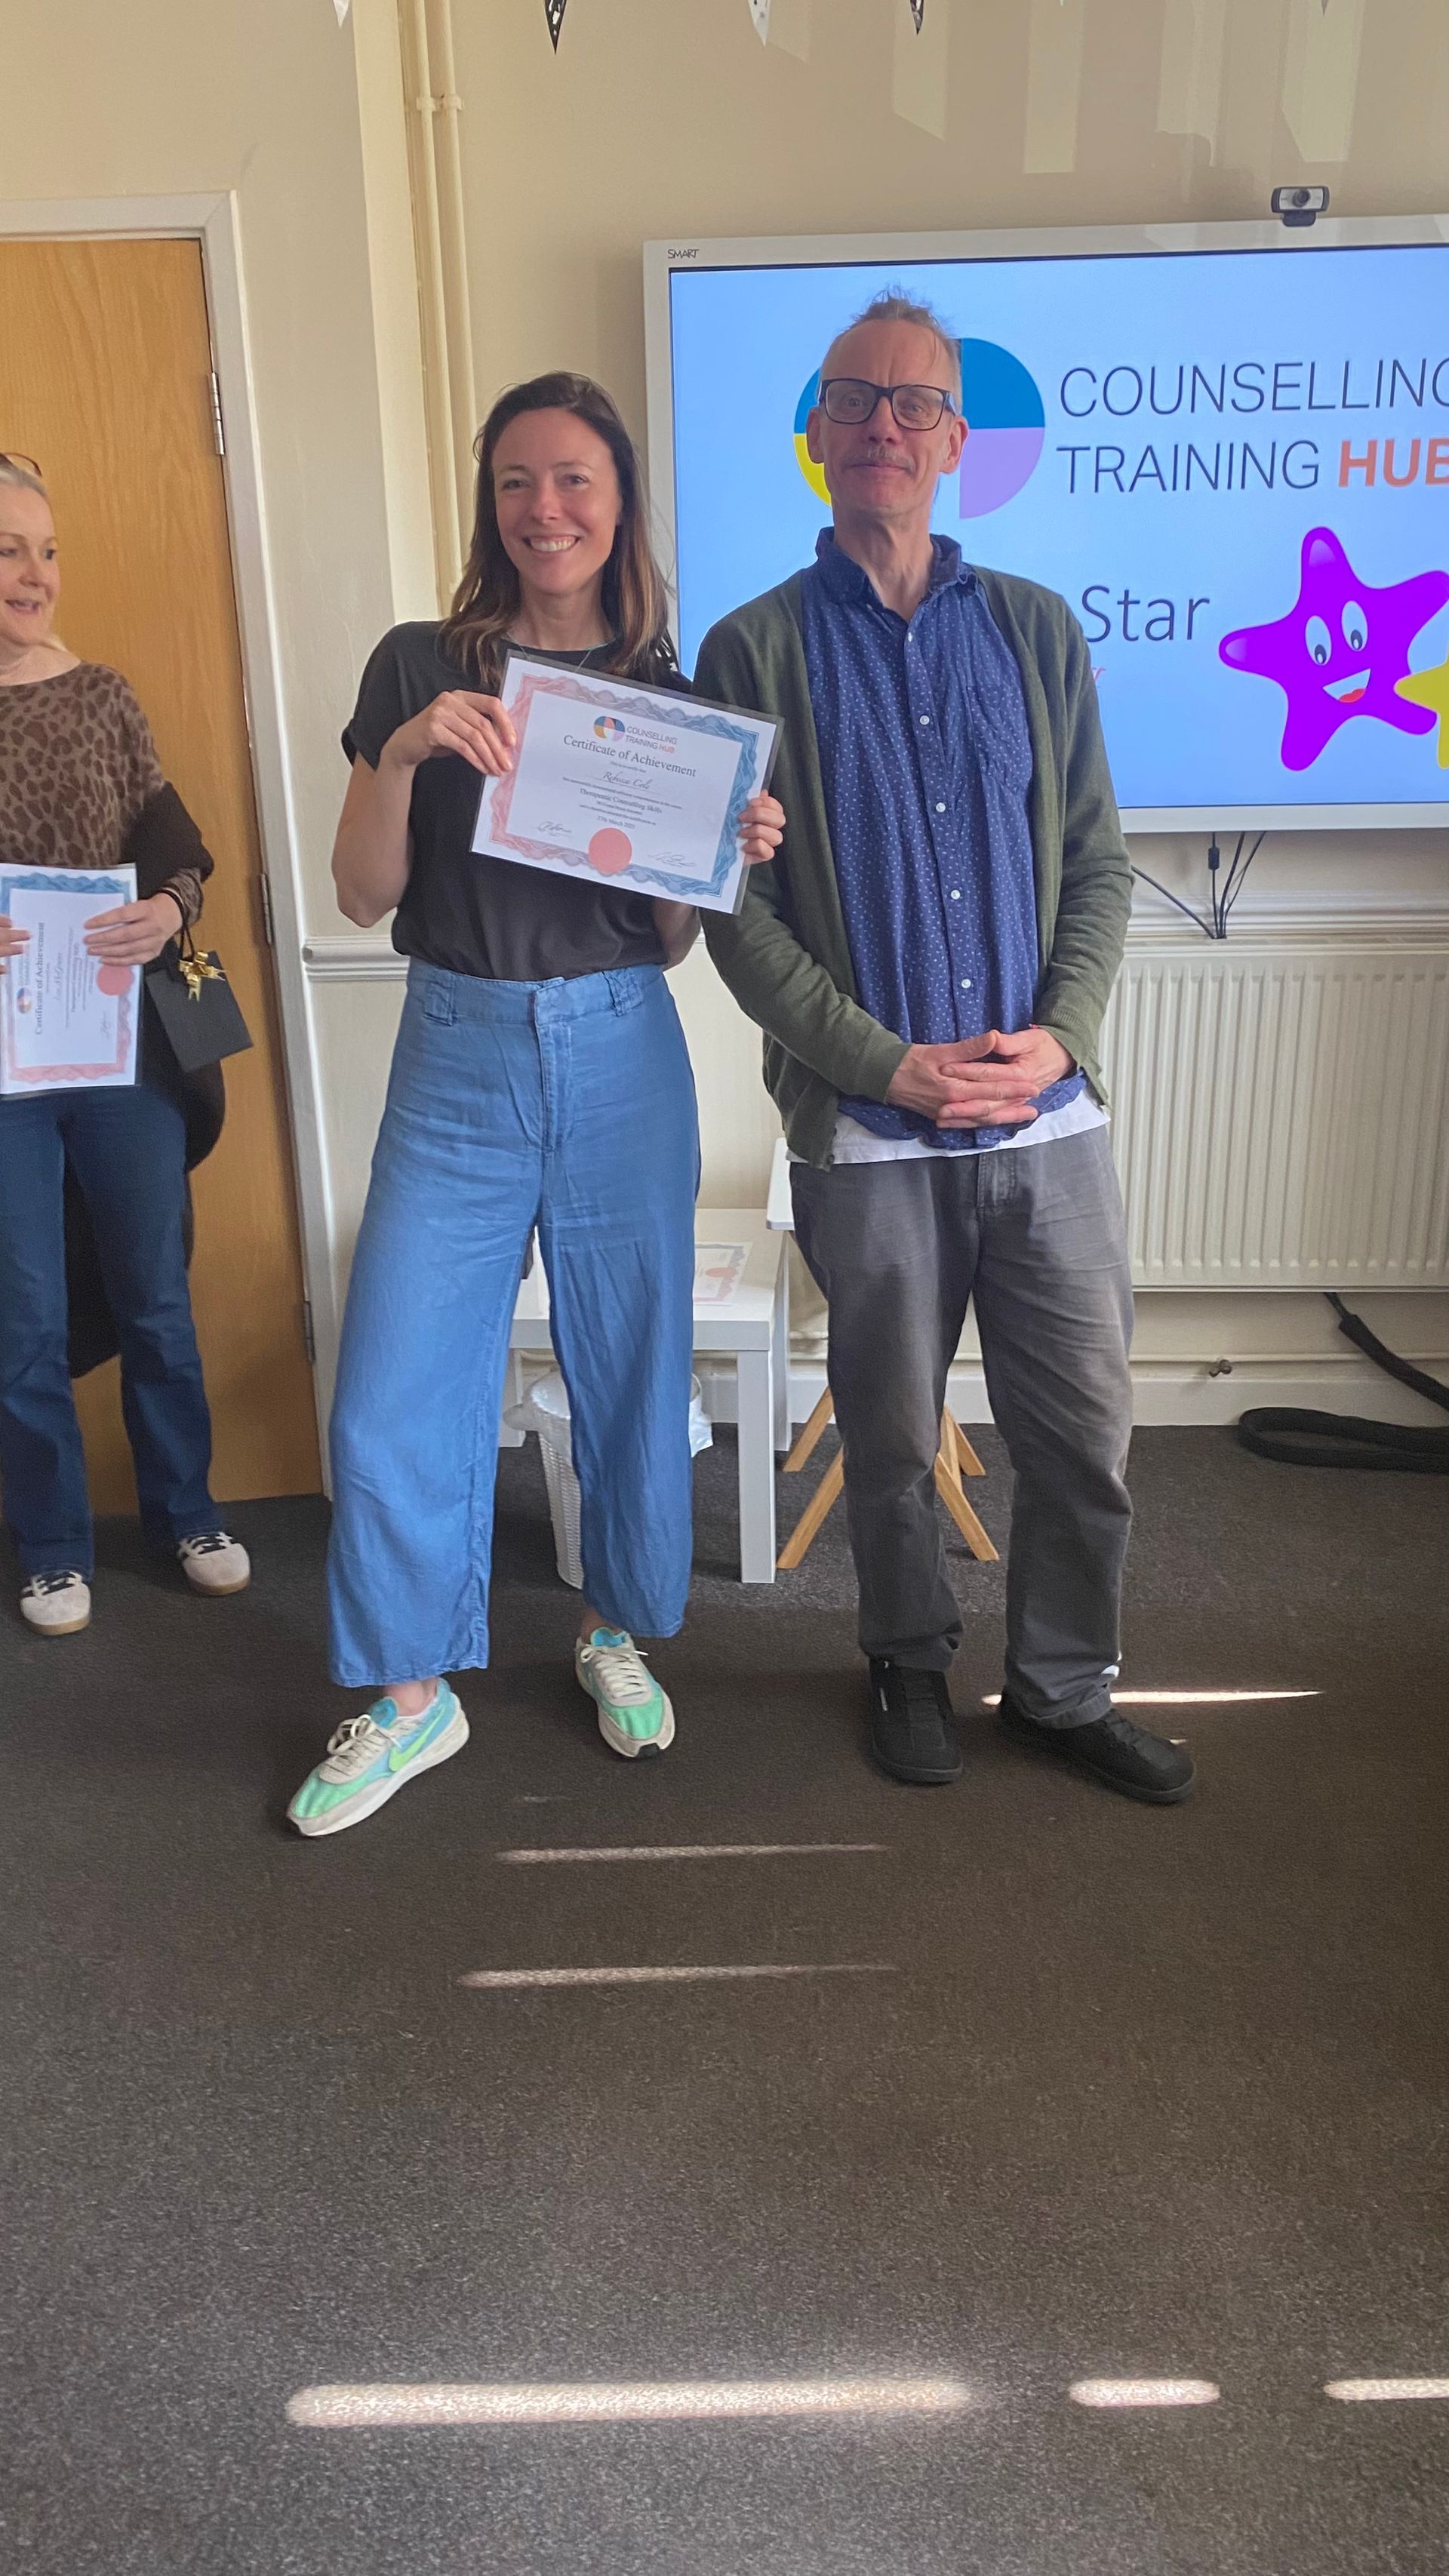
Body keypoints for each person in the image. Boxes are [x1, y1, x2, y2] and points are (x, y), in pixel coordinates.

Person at [696, 296, 1194, 1804]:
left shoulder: (1035, 629)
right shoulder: (752, 645)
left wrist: (1059, 1038)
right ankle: (907, 1660)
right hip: (872, 1135)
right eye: (856, 401)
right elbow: (739, 909)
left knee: (1083, 1439)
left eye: (914, 405)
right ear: (819, 434)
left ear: (958, 440)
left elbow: (1100, 869)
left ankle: (1059, 1688)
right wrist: (881, 1064)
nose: (885, 429)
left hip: (1048, 1126)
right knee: (894, 1443)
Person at [288, 373, 783, 1839]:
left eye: (573, 480)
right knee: (393, 1386)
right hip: (455, 1050)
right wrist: (404, 752)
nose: (544, 508)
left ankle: (615, 1628)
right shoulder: (416, 663)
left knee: (632, 1369)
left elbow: (676, 942)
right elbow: (364, 894)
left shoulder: (674, 698)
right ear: (491, 502)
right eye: (516, 481)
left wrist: (724, 856)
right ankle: (408, 1693)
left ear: (618, 501)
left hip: (624, 1050)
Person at [0, 454, 251, 1633]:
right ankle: (52, 1545)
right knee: (23, 1313)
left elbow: (178, 847)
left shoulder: (103, 695)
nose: (32, 574)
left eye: (46, 550)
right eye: (8, 550)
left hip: (117, 1049)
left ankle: (187, 1510)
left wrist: (168, 909)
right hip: (4, 1070)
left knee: (155, 1296)